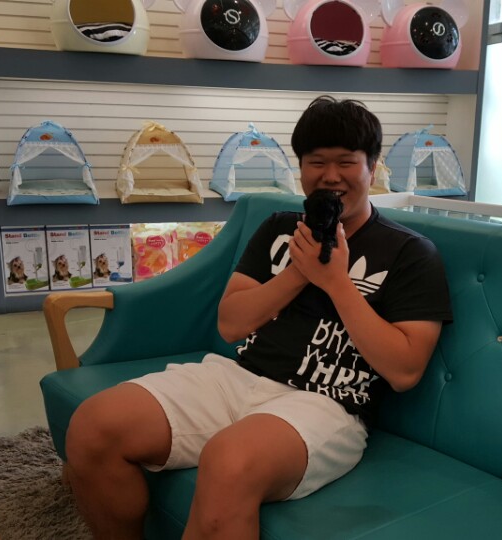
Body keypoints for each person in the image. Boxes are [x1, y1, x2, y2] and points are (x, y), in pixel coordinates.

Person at [64, 96, 453, 539]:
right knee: (94, 427)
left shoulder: (410, 253)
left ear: (373, 166)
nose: (330, 176)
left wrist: (337, 283)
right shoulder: (278, 229)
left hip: (328, 405)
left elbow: (404, 371)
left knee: (229, 463)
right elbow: (230, 324)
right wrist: (298, 272)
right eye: (316, 162)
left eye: (347, 162)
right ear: (300, 167)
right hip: (238, 377)